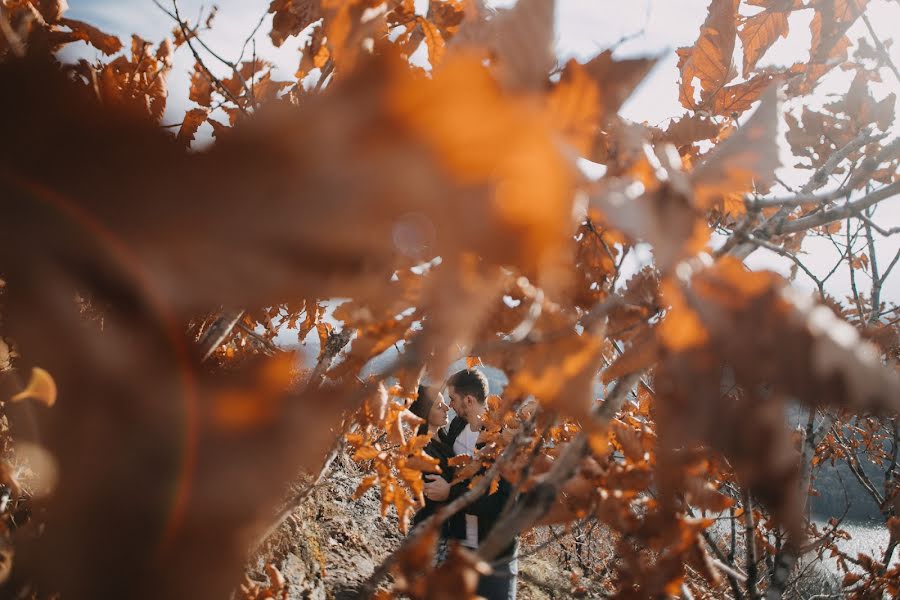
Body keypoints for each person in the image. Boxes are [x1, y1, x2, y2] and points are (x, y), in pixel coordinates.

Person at [423, 368, 518, 600]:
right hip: (459, 543)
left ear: (468, 400)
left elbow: (501, 502)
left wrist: (449, 493)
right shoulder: (456, 427)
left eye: (453, 399)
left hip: (495, 553)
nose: (450, 405)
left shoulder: (502, 439)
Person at [407, 384, 454, 528]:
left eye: (444, 402)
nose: (447, 408)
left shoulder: (448, 439)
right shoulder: (422, 453)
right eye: (439, 406)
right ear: (425, 413)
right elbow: (432, 493)